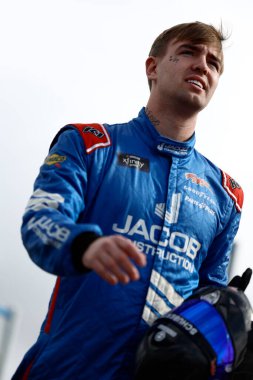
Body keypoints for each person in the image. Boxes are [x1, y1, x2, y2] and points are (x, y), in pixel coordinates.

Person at [12, 21, 244, 380]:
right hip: (66, 369)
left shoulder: (226, 195)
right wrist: (85, 245)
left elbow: (207, 301)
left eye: (214, 63)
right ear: (152, 67)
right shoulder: (88, 144)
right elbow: (41, 220)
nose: (202, 65)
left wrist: (231, 331)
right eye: (187, 53)